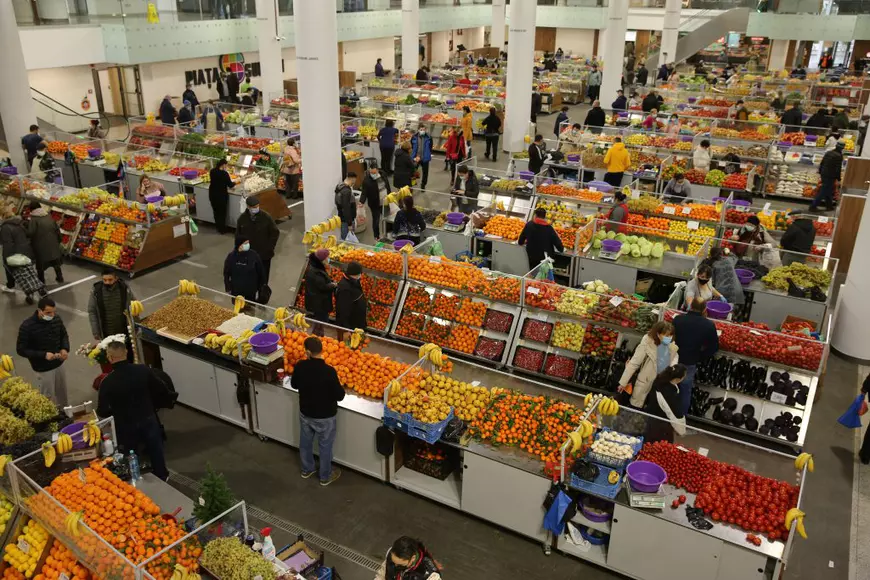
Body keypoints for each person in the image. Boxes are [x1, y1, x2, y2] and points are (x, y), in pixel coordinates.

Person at [97, 341, 174, 480]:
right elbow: (161, 389)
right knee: (155, 449)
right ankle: (162, 475)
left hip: (125, 425)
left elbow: (102, 410)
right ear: (126, 352)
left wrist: (115, 412)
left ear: (109, 357)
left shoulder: (108, 382)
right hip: (148, 418)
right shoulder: (143, 370)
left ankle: (135, 479)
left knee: (131, 454)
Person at [290, 336, 345, 486]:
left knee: (305, 443)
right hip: (325, 417)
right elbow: (340, 396)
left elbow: (294, 385)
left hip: (306, 413)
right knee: (325, 446)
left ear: (307, 352)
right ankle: (324, 476)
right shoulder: (329, 372)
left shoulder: (301, 366)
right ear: (322, 350)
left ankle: (307, 469)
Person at [16, 297, 69, 406]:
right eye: (48, 313)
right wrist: (43, 355)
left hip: (59, 364)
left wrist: (64, 348)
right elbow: (21, 349)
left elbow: (63, 335)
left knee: (62, 394)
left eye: (53, 312)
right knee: (47, 397)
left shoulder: (56, 319)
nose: (52, 315)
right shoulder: (27, 326)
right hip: (43, 368)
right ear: (39, 311)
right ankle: (51, 420)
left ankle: (65, 414)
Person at [672, 299, 719, 415]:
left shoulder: (678, 320)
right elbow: (713, 347)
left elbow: (670, 338)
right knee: (685, 391)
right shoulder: (708, 325)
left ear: (690, 306)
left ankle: (664, 415)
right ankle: (680, 417)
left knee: (669, 386)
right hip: (690, 362)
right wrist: (699, 356)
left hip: (673, 359)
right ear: (704, 309)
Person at [618, 321, 679, 408]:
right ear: (658, 334)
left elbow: (673, 366)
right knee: (635, 408)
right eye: (666, 335)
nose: (668, 338)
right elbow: (634, 363)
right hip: (643, 383)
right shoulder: (647, 343)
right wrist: (623, 383)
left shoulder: (672, 347)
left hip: (658, 387)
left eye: (670, 335)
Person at [1, 204, 42, 303]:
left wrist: (6, 258)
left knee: (16, 273)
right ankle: (39, 288)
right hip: (27, 251)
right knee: (29, 271)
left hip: (15, 253)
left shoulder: (6, 227)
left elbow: (8, 244)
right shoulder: (20, 222)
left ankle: (12, 286)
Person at [236, 196, 279, 283]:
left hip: (264, 255)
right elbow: (238, 236)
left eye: (257, 206)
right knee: (250, 278)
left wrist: (270, 248)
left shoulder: (266, 217)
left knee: (263, 278)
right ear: (248, 207)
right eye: (254, 207)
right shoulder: (242, 219)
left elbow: (275, 232)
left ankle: (263, 295)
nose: (256, 208)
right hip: (248, 255)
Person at [88, 268, 136, 347]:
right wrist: (95, 331)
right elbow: (92, 311)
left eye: (110, 280)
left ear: (116, 278)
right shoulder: (96, 291)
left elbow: (134, 304)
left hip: (124, 329)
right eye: (104, 280)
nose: (107, 282)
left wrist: (135, 325)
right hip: (106, 331)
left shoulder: (124, 288)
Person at [643, 364, 689, 443]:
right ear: (679, 379)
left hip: (648, 419)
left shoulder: (659, 381)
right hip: (659, 425)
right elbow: (674, 414)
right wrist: (681, 431)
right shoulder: (670, 393)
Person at [26, 201, 63, 285]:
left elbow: (31, 233)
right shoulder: (48, 216)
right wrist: (58, 240)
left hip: (40, 246)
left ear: (32, 209)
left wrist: (25, 230)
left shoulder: (34, 219)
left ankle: (41, 281)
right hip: (53, 244)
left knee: (40, 266)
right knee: (55, 263)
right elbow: (57, 229)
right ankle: (60, 277)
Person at [374, 537, 442, 580]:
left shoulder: (430, 576)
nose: (395, 566)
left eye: (401, 565)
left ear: (413, 558)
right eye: (393, 562)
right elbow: (381, 575)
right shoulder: (393, 556)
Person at [224, 235, 266, 302]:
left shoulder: (254, 255)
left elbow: (261, 271)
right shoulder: (232, 257)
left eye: (248, 243)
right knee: (238, 309)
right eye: (245, 243)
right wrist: (228, 287)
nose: (248, 245)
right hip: (236, 289)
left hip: (250, 290)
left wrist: (260, 287)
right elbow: (226, 273)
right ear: (239, 245)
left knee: (250, 308)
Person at [304, 249, 336, 334]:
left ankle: (318, 335)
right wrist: (333, 285)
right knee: (321, 320)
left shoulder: (315, 267)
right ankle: (316, 336)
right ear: (322, 260)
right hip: (319, 302)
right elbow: (322, 287)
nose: (328, 259)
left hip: (316, 300)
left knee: (319, 321)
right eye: (327, 257)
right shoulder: (316, 272)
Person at [360, 162, 391, 240]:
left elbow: (387, 186)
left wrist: (390, 196)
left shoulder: (383, 174)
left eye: (374, 172)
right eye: (371, 172)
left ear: (377, 170)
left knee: (387, 218)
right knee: (376, 221)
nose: (372, 174)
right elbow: (364, 192)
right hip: (375, 204)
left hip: (385, 202)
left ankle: (388, 234)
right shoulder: (366, 181)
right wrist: (361, 202)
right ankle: (376, 237)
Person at [811, 141, 844, 212]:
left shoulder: (828, 152)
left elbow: (822, 163)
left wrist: (820, 171)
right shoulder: (839, 156)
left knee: (828, 190)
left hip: (824, 173)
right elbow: (838, 168)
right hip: (830, 175)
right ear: (842, 148)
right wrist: (838, 178)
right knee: (823, 190)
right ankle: (813, 206)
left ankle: (829, 206)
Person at [335, 261, 367, 332]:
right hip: (350, 326)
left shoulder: (353, 281)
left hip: (356, 324)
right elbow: (342, 310)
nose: (361, 275)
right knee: (345, 343)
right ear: (354, 274)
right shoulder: (345, 288)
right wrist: (346, 329)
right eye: (360, 273)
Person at [208, 158, 235, 234]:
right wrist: (236, 181)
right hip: (221, 196)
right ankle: (222, 230)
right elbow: (230, 185)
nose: (226, 167)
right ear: (223, 165)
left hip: (212, 195)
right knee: (222, 213)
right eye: (226, 165)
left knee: (216, 212)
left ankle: (218, 227)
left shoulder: (212, 171)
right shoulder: (224, 174)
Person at [334, 172, 357, 240]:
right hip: (346, 220)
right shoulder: (346, 191)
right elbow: (346, 208)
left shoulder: (340, 187)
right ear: (351, 179)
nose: (354, 184)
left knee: (345, 237)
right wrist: (349, 224)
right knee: (347, 239)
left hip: (342, 217)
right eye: (354, 181)